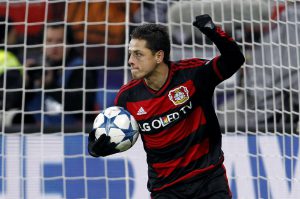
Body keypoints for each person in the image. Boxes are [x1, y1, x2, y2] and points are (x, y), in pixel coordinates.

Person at [88, 14, 245, 198]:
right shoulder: (127, 97)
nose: (130, 60)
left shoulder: (193, 75)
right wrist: (98, 147)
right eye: (130, 53)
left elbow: (235, 60)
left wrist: (214, 31)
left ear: (158, 56)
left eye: (138, 54)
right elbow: (121, 132)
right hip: (165, 189)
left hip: (208, 180)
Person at [25, 23, 96, 127]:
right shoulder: (35, 68)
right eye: (49, 41)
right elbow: (13, 106)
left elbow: (81, 105)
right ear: (41, 45)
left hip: (72, 134)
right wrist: (25, 83)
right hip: (36, 134)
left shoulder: (82, 68)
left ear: (69, 44)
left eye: (60, 41)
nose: (54, 46)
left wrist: (50, 85)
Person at [0, 16, 23, 126]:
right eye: (14, 33)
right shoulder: (9, 58)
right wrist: (26, 81)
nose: (16, 36)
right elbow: (12, 97)